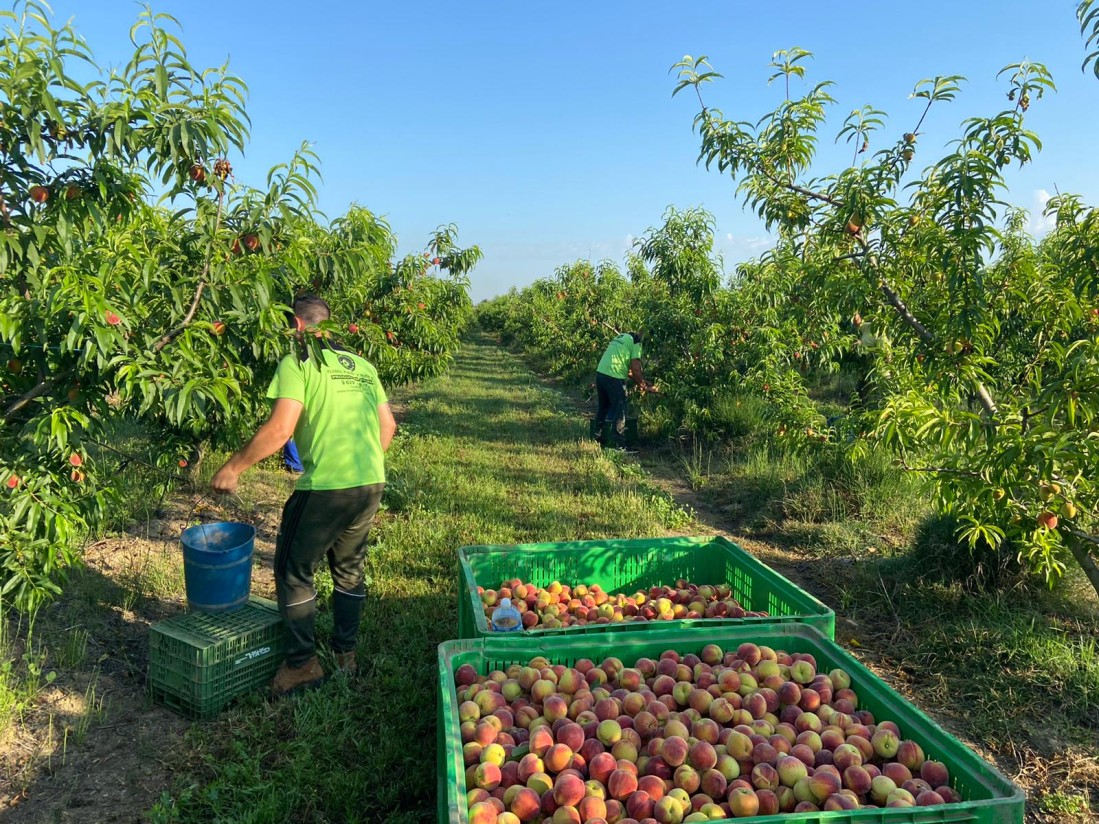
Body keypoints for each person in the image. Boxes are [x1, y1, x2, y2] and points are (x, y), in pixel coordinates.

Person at [211, 294, 397, 696]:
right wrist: (359, 467)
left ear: (296, 326)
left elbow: (280, 431)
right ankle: (346, 655)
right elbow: (388, 427)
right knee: (348, 570)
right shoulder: (363, 367)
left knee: (294, 570)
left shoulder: (298, 362)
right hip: (370, 483)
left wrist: (233, 467)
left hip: (326, 489)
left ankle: (301, 665)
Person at [593, 330, 656, 451]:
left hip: (601, 373)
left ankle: (598, 438)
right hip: (614, 377)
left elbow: (627, 369)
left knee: (603, 407)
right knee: (620, 408)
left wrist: (642, 381)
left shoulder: (622, 338)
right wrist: (645, 386)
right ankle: (619, 445)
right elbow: (636, 369)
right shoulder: (636, 342)